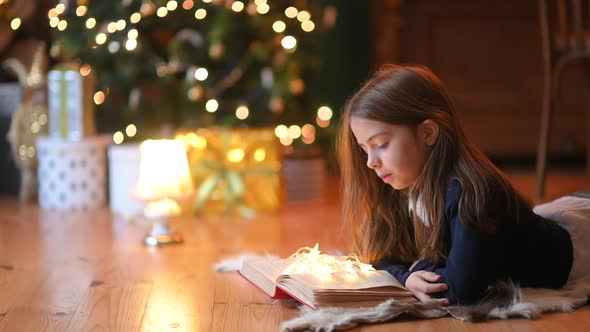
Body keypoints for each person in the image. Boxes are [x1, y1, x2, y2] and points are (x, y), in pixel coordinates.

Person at [337, 64, 590, 306]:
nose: (370, 162)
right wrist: (407, 277)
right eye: (364, 149)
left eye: (380, 144)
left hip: (581, 246)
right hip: (545, 223)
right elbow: (381, 257)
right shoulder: (404, 183)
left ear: (427, 133)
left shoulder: (474, 195)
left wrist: (414, 270)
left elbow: (460, 290)